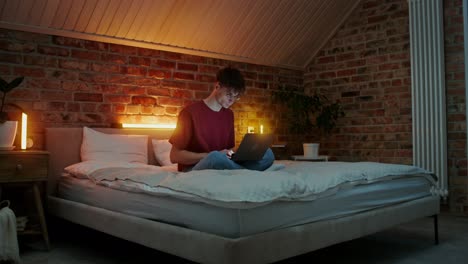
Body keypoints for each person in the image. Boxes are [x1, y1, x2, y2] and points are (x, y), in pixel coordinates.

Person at [169, 66, 274, 172]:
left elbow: (228, 151)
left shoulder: (229, 114)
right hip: (194, 168)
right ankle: (244, 172)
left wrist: (239, 152)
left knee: (268, 153)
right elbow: (174, 156)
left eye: (236, 96)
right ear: (217, 86)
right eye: (229, 94)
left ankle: (240, 171)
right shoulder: (189, 113)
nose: (232, 100)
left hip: (222, 162)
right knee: (215, 157)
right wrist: (209, 155)